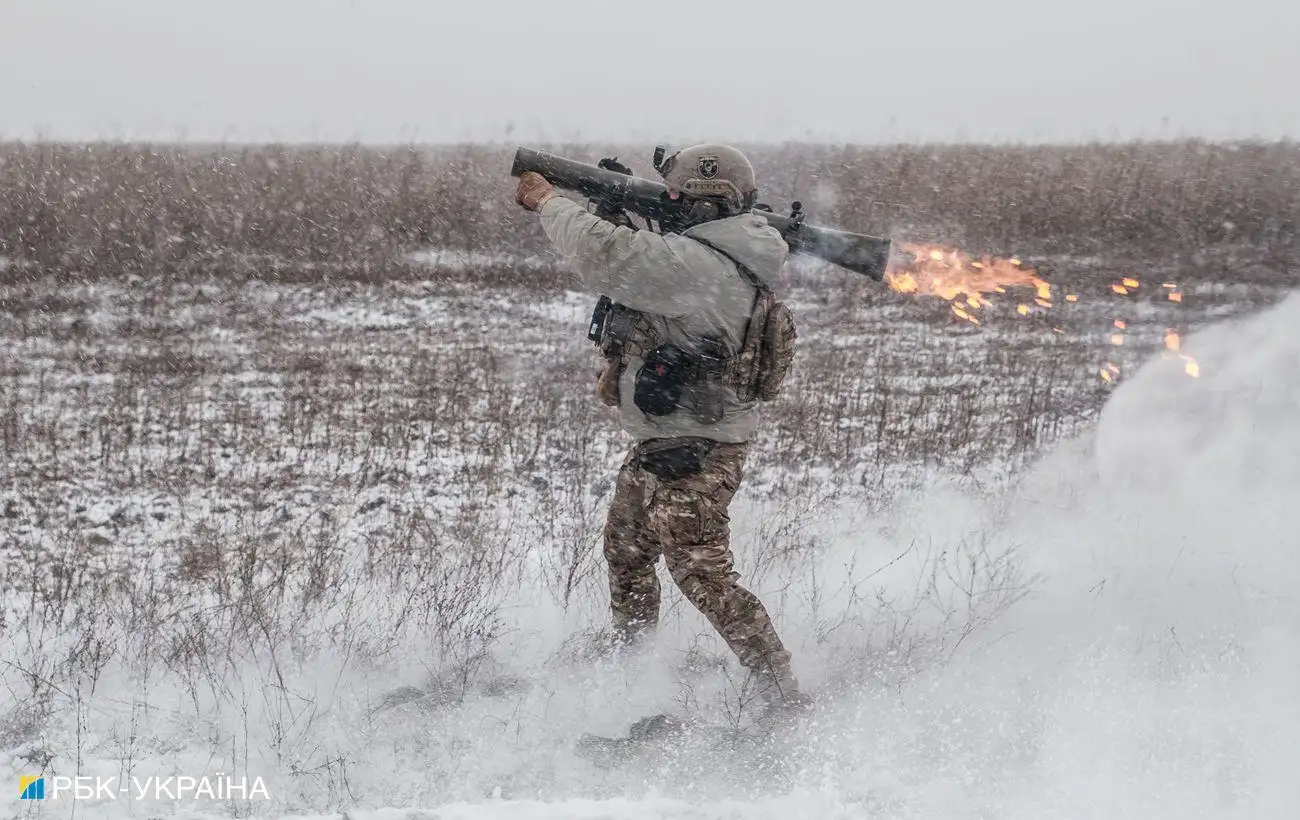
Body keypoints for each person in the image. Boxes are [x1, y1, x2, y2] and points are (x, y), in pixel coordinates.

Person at [514, 145, 809, 714]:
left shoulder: (698, 265)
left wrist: (549, 200)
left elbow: (610, 255)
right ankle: (634, 664)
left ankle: (780, 692)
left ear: (703, 206)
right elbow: (636, 264)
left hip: (700, 451)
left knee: (701, 574)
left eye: (677, 197)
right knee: (625, 551)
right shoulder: (712, 253)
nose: (669, 201)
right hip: (665, 439)